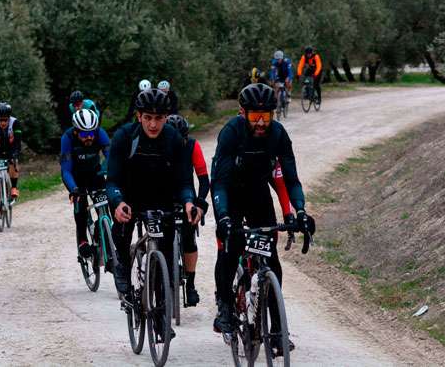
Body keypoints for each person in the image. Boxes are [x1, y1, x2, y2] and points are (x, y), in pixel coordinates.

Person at [211, 83, 316, 356]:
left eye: (266, 116)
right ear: (242, 112)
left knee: (271, 260)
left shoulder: (278, 134)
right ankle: (224, 306)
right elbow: (219, 182)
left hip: (258, 195)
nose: (260, 122)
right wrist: (223, 218)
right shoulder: (231, 133)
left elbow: (290, 178)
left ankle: (279, 331)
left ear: (273, 115)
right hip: (230, 194)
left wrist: (300, 212)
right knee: (230, 249)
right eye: (255, 116)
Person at [107, 89, 199, 301]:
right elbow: (112, 180)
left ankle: (161, 317)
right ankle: (121, 263)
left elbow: (184, 180)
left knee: (165, 261)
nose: (153, 125)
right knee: (122, 225)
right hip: (130, 196)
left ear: (166, 117)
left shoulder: (174, 139)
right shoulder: (125, 136)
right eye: (147, 118)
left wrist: (187, 202)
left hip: (162, 200)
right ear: (139, 116)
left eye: (159, 118)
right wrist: (117, 202)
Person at [166, 114, 210, 307]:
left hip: (187, 198)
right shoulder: (159, 146)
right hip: (164, 196)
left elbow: (203, 179)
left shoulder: (192, 146)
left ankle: (190, 285)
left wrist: (200, 203)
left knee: (189, 240)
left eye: (182, 138)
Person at [60, 109, 111, 259]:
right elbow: (66, 171)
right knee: (80, 204)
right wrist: (74, 189)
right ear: (76, 132)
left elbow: (112, 158)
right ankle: (82, 240)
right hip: (76, 176)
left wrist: (111, 173)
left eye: (91, 133)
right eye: (83, 134)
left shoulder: (100, 133)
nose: (89, 137)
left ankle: (103, 230)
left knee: (105, 203)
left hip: (95, 173)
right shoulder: (67, 138)